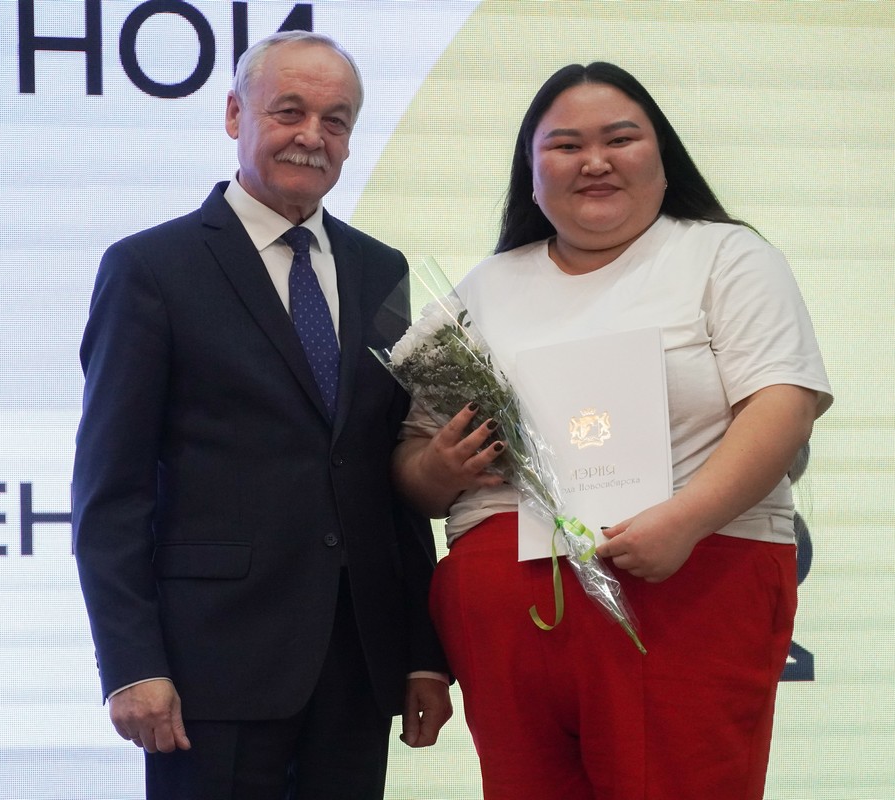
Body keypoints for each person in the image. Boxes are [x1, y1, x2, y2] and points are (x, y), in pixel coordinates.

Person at [393, 62, 832, 800]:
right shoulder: (482, 288)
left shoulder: (725, 256)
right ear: (531, 173)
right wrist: (439, 466)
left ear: (662, 156)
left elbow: (783, 404)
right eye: (565, 146)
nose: (594, 161)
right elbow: (412, 465)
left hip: (687, 581)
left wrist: (684, 523)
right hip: (505, 611)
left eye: (619, 139)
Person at [71, 30, 451, 800]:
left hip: (357, 663)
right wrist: (133, 664)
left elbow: (386, 465)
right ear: (234, 115)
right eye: (289, 111)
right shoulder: (151, 268)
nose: (313, 135)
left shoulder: (381, 269)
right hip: (209, 667)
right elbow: (111, 491)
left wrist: (422, 652)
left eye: (336, 120)